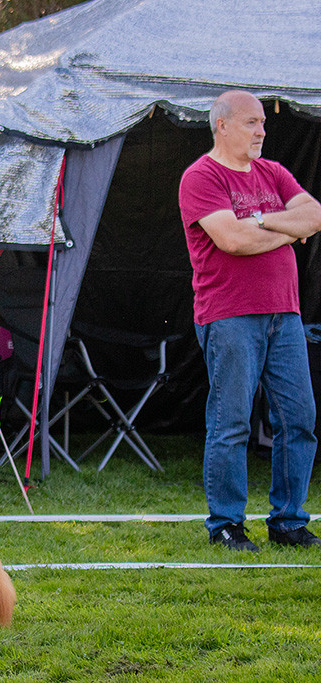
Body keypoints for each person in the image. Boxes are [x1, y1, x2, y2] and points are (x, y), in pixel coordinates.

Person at [178, 90, 321, 552]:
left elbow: (315, 215)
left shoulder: (273, 172)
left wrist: (259, 222)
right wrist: (285, 230)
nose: (262, 131)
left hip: (286, 313)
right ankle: (226, 524)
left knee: (299, 419)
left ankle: (289, 522)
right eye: (251, 123)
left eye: (263, 123)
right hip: (230, 315)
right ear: (222, 125)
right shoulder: (200, 176)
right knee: (232, 422)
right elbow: (231, 241)